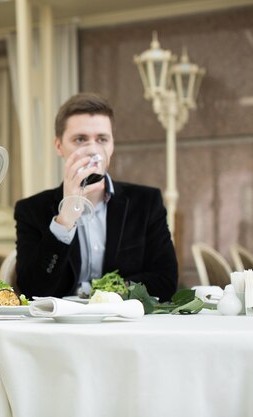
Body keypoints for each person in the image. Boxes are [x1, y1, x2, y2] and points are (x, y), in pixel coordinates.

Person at [14, 92, 177, 302]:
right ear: (59, 146)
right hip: (60, 328)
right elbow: (32, 288)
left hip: (124, 324)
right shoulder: (31, 210)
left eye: (102, 139)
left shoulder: (146, 202)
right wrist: (64, 221)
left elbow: (166, 280)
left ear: (112, 146)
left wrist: (108, 293)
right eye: (80, 139)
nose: (92, 150)